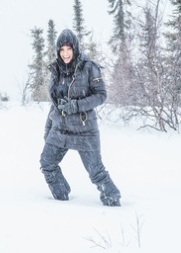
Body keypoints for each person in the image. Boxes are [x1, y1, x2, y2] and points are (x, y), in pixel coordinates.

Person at [39, 28, 121, 206]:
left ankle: (114, 203)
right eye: (62, 50)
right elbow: (55, 104)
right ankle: (61, 202)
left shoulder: (89, 67)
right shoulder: (56, 70)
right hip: (60, 129)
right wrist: (48, 129)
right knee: (47, 163)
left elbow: (101, 95)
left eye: (69, 49)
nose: (66, 53)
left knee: (96, 172)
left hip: (84, 130)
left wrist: (76, 105)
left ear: (75, 48)